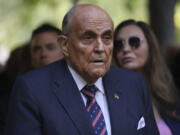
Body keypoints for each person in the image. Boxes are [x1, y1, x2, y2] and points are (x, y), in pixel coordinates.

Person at [5, 5, 159, 135]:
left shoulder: (133, 84)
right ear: (64, 45)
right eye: (88, 38)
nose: (100, 48)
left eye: (106, 38)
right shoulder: (32, 89)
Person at [113, 19, 180, 135]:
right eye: (119, 44)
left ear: (150, 46)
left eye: (134, 42)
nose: (126, 49)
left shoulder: (168, 94)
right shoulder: (111, 97)